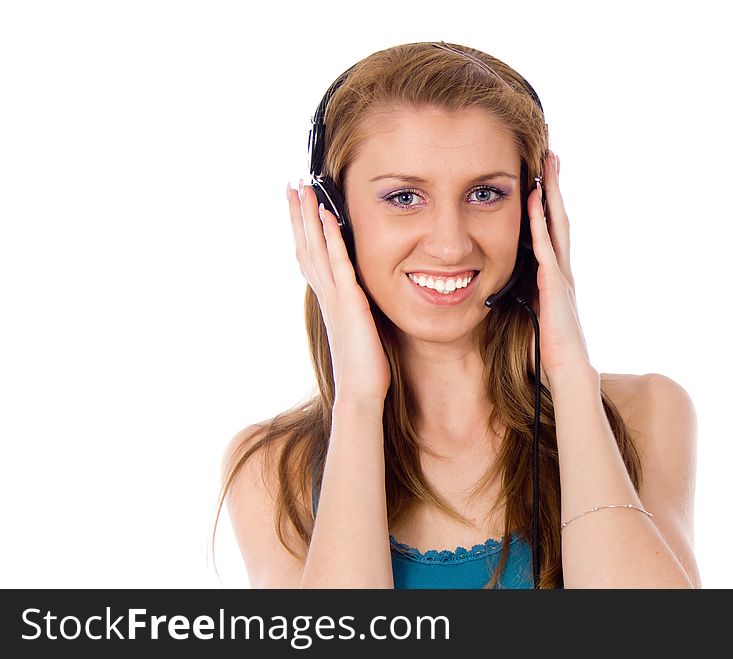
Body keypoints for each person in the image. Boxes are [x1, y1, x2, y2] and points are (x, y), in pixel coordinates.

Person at [213, 41, 700, 589]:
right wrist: (357, 401)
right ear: (333, 218)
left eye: (486, 193)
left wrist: (569, 379)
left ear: (534, 210)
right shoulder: (276, 470)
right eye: (403, 198)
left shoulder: (643, 414)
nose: (450, 244)